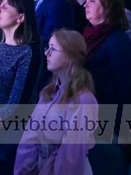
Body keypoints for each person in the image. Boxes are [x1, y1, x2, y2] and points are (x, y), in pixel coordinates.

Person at [14, 30, 98, 175]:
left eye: (52, 49)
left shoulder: (84, 100)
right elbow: (30, 137)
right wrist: (22, 171)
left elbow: (71, 158)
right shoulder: (48, 92)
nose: (46, 53)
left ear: (70, 56)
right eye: (48, 48)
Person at [0, 0, 41, 175]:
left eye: (4, 7)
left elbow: (16, 106)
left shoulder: (27, 52)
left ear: (20, 17)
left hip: (5, 138)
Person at [82, 0, 131, 110]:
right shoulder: (88, 34)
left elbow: (127, 87)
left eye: (92, 1)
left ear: (107, 7)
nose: (85, 5)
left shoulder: (118, 41)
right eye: (86, 1)